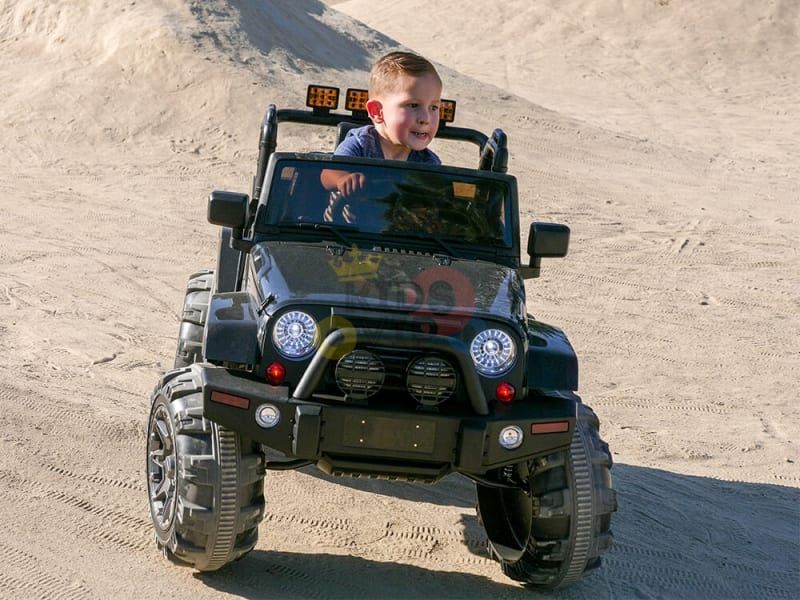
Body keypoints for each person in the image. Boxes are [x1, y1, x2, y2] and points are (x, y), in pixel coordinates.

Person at [321, 51, 443, 199]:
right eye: (413, 105)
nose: (426, 118)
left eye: (434, 107)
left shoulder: (428, 162)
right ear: (377, 111)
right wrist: (343, 179)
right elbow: (329, 173)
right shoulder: (361, 145)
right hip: (354, 213)